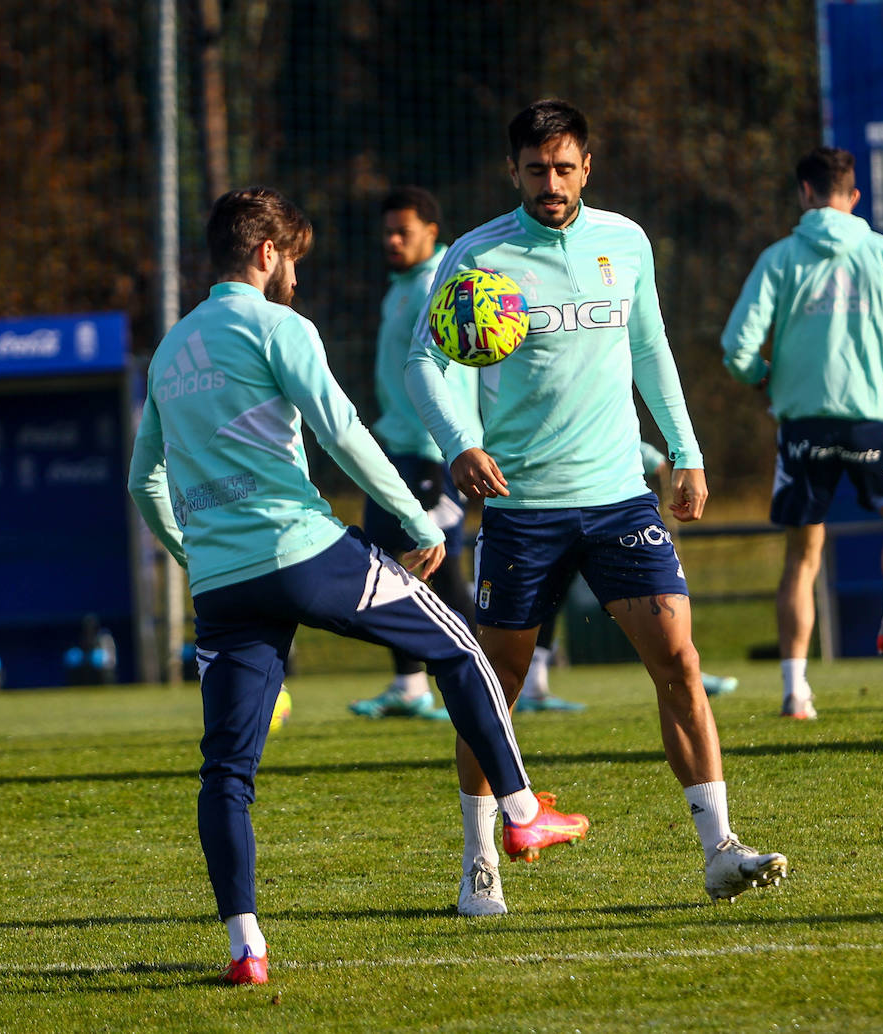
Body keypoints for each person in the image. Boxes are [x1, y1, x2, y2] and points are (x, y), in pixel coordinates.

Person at [127, 186, 582, 985]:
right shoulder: (279, 327)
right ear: (267, 253)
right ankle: (521, 813)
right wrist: (415, 520)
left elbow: (144, 482)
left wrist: (194, 555)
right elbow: (340, 430)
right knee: (463, 650)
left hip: (223, 589)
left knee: (227, 773)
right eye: (294, 260)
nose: (297, 277)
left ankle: (246, 949)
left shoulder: (170, 351)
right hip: (302, 554)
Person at [405, 99, 787, 909]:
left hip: (620, 500)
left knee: (679, 662)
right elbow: (424, 366)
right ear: (513, 171)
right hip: (523, 508)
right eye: (535, 170)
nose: (551, 184)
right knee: (494, 686)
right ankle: (480, 863)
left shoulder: (626, 242)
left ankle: (720, 849)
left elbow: (650, 347)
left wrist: (685, 450)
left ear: (587, 167)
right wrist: (460, 444)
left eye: (564, 168)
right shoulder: (477, 256)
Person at [720, 146, 883, 720]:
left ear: (804, 192)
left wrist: (762, 377)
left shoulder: (779, 259)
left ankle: (796, 691)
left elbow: (737, 347)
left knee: (803, 554)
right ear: (854, 196)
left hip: (804, 423)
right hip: (877, 416)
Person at [347, 186, 475, 721]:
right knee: (387, 565)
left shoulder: (440, 285)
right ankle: (409, 686)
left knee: (439, 568)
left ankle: (490, 676)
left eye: (404, 232)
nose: (392, 241)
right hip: (398, 448)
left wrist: (453, 442)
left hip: (430, 451)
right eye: (387, 232)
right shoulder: (402, 285)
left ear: (432, 232)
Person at [521, 440, 739, 703]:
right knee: (547, 597)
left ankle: (684, 666)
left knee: (649, 595)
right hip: (556, 503)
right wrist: (645, 453)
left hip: (604, 501)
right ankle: (531, 687)